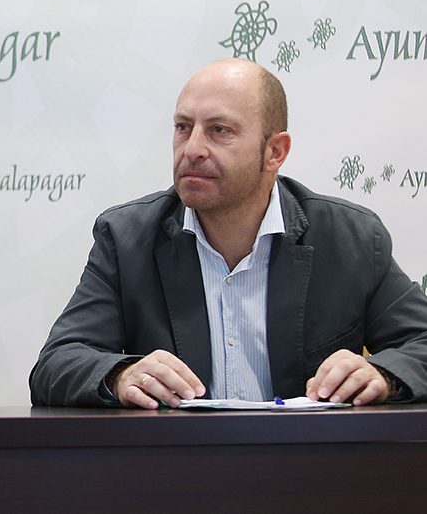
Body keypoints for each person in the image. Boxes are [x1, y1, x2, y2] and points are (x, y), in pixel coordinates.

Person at [30, 59, 427, 408]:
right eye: (184, 128)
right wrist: (119, 375)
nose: (193, 149)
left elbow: (420, 345)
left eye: (219, 130)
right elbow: (56, 363)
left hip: (310, 475)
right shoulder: (127, 238)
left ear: (275, 152)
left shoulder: (349, 239)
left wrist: (385, 375)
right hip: (179, 477)